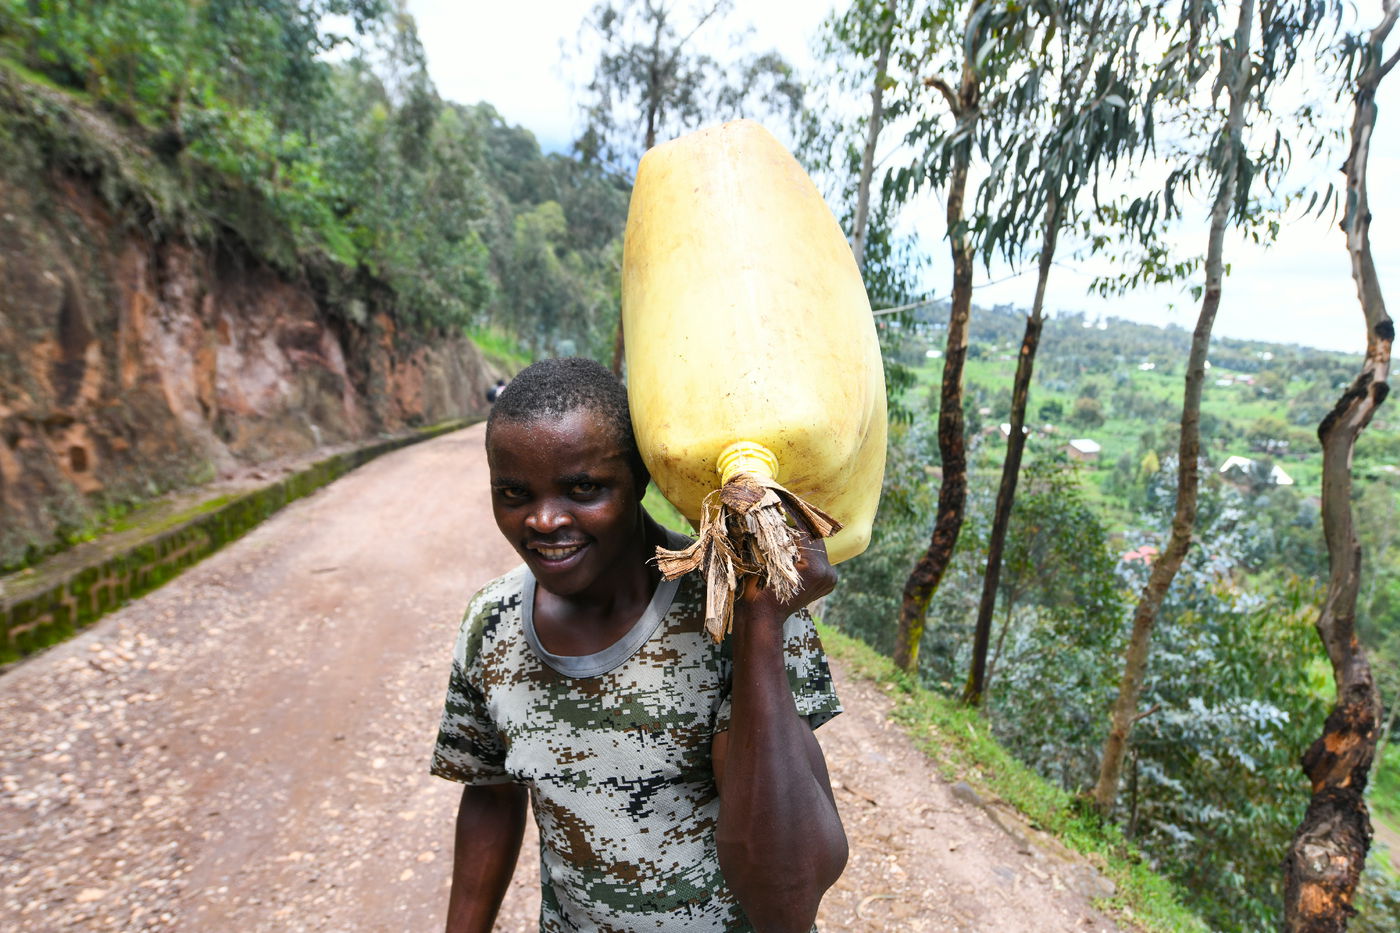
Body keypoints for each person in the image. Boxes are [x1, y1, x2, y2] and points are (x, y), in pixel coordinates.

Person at [430, 357, 847, 932]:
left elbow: (788, 893)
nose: (545, 519)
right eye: (514, 493)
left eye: (584, 488)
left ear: (641, 479)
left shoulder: (736, 611)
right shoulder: (492, 622)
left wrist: (762, 626)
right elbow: (490, 793)